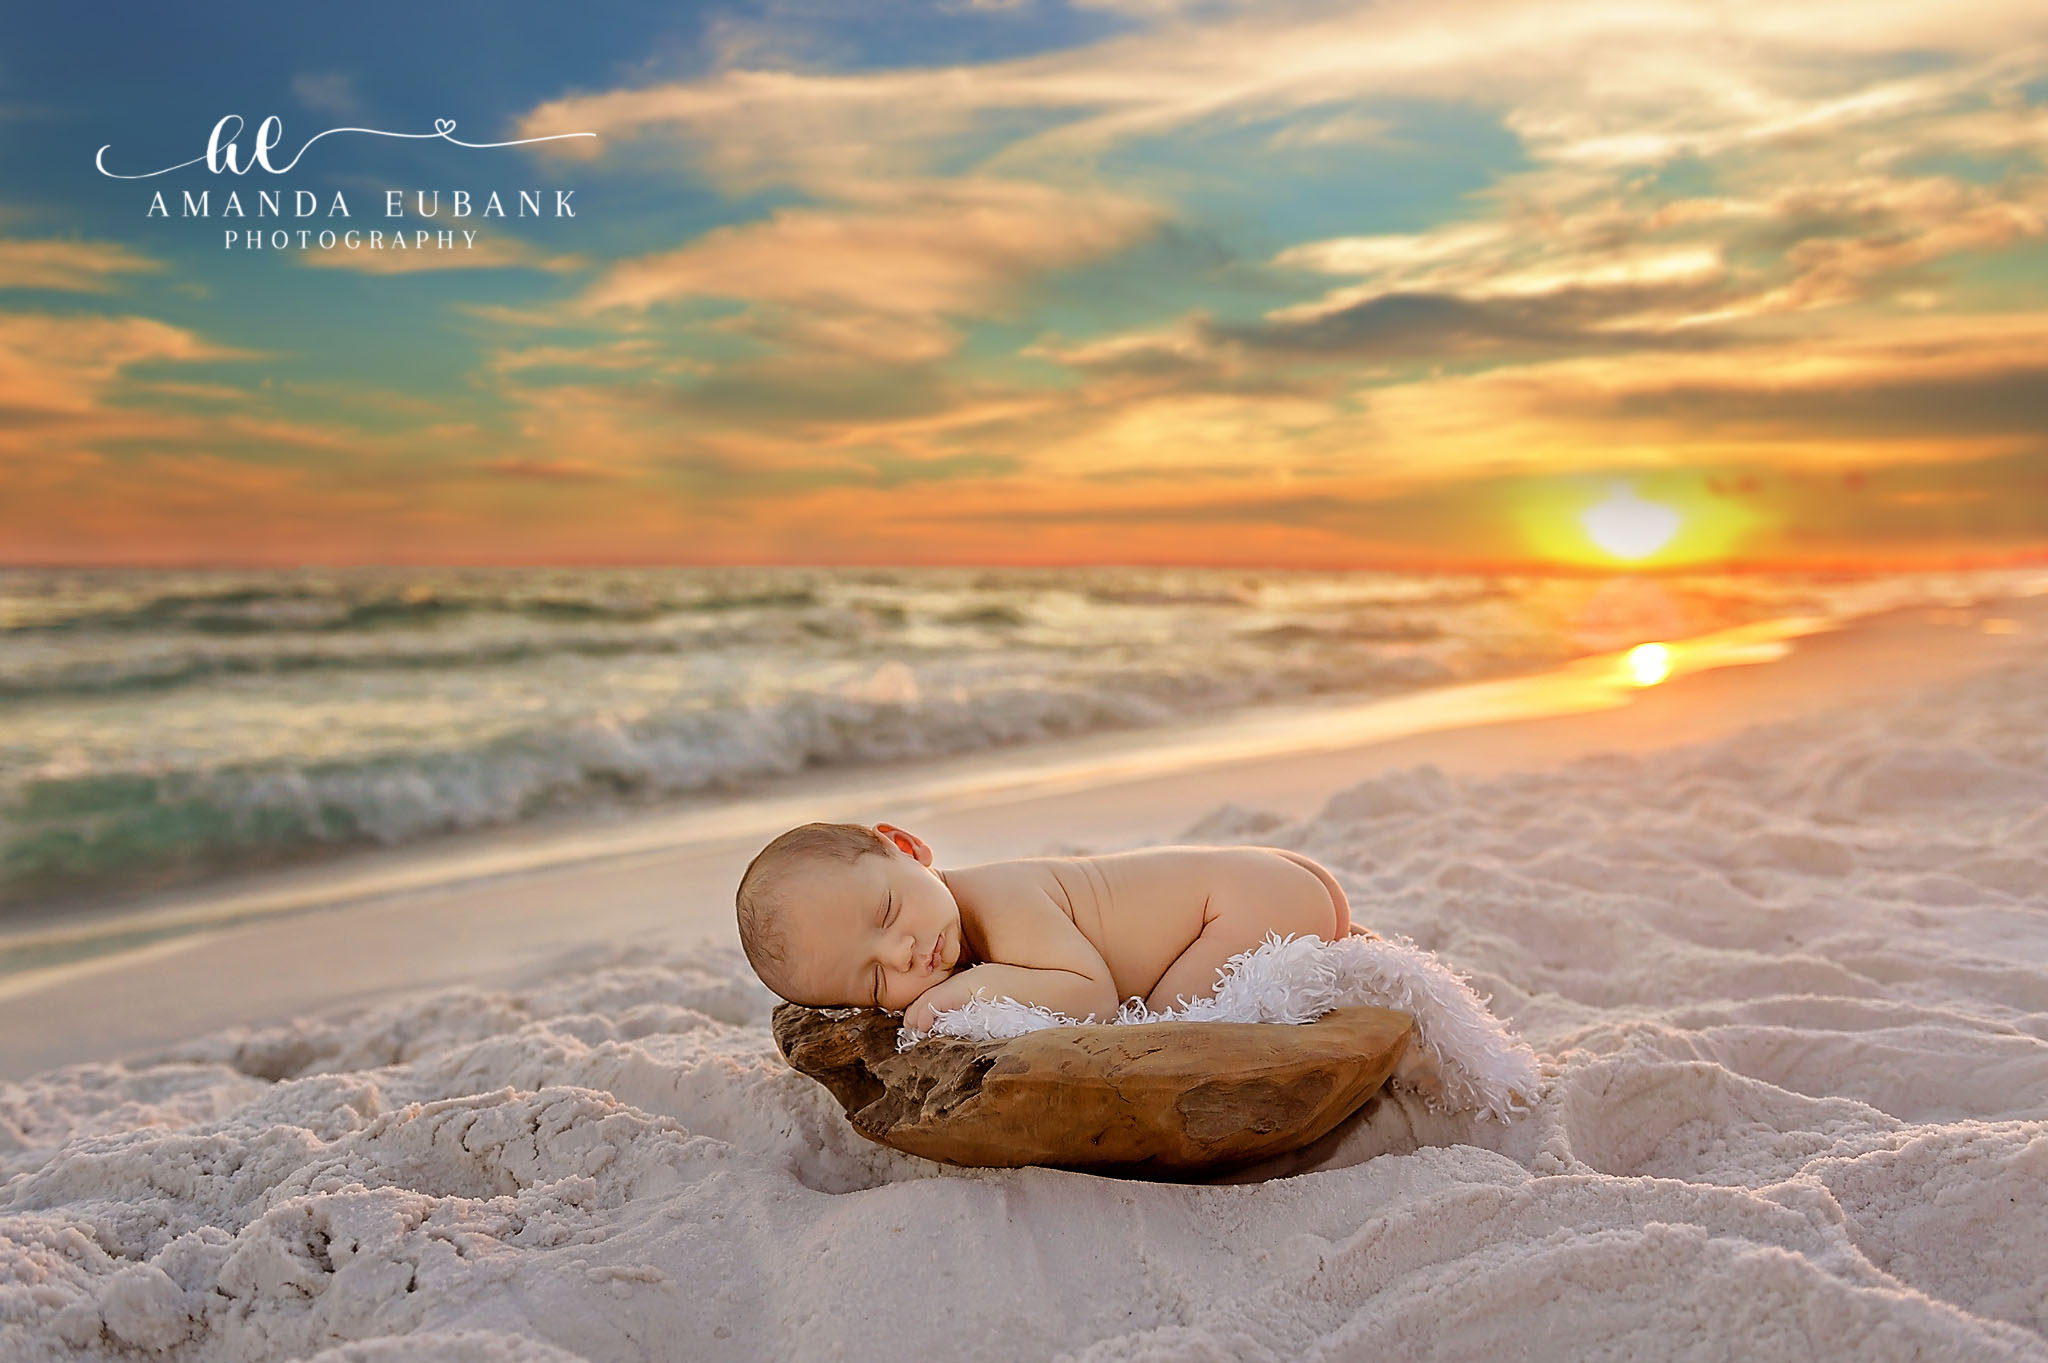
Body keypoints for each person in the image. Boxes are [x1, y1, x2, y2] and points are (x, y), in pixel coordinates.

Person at [735, 820, 1378, 1032]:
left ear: (907, 847)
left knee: (1162, 1027)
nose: (902, 955)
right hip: (1277, 886)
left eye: (885, 913)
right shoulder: (947, 929)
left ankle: (1337, 955)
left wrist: (960, 992)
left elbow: (1090, 995)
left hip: (1244, 901)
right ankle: (1340, 944)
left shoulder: (998, 899)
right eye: (873, 981)